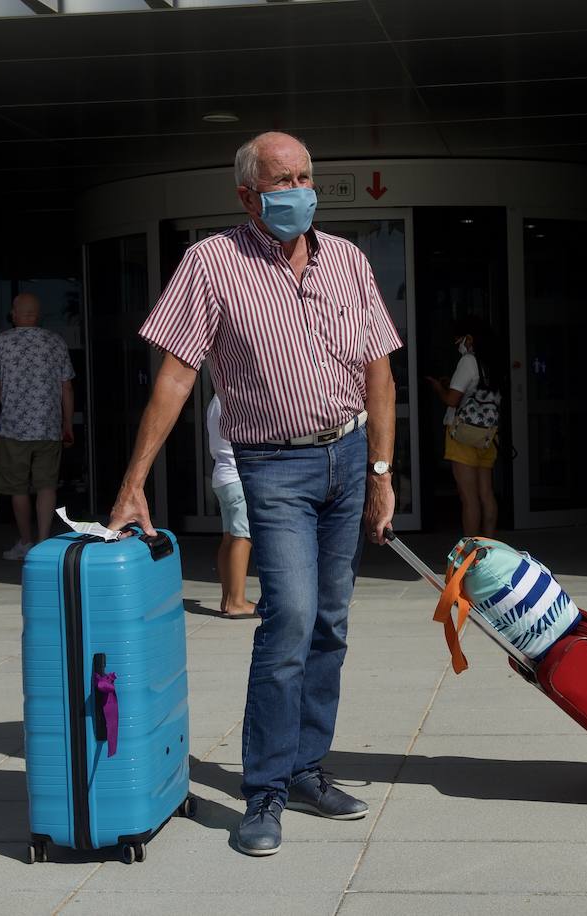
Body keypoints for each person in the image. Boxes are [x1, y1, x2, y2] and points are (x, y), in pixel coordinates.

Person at [106, 131, 401, 857]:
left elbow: (380, 374)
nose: (299, 191)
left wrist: (383, 474)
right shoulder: (211, 264)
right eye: (282, 180)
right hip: (272, 466)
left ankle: (307, 767)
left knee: (330, 621)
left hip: (348, 454)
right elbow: (176, 378)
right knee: (290, 618)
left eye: (306, 176)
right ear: (247, 194)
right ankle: (264, 790)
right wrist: (133, 482)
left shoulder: (350, 262)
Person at [0, 293, 76, 560]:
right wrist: (67, 424)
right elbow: (66, 386)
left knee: (18, 488)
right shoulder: (54, 342)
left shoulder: (1, 342)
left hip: (12, 428)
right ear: (38, 314)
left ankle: (25, 541)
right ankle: (44, 543)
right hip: (48, 428)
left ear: (14, 313)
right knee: (47, 486)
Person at [426, 323, 500, 536]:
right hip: (488, 435)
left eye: (459, 340)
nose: (458, 345)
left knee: (468, 497)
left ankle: (471, 551)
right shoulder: (491, 361)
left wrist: (439, 388)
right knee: (486, 494)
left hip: (464, 434)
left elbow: (452, 399)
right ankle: (489, 548)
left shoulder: (468, 361)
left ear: (469, 338)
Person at [206, 393, 258, 619]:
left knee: (229, 538)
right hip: (238, 476)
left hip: (222, 475)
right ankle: (237, 601)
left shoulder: (215, 401)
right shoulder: (237, 397)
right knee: (243, 537)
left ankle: (227, 598)